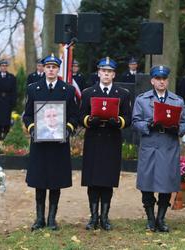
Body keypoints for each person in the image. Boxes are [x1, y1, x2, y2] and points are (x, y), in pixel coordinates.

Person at [23, 54, 79, 231]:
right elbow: (28, 115)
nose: (51, 70)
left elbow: (74, 115)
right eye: (48, 67)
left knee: (56, 180)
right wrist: (32, 129)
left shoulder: (67, 90)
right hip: (39, 143)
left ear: (58, 70)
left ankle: (52, 219)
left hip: (59, 144)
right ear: (44, 69)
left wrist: (67, 130)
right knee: (39, 181)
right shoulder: (33, 89)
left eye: (54, 67)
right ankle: (39, 218)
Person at [132, 65, 185, 232]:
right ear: (152, 81)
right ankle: (150, 218)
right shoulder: (142, 99)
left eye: (164, 79)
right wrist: (148, 125)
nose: (161, 82)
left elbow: (184, 122)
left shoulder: (177, 100)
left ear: (168, 81)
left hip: (168, 145)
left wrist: (177, 129)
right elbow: (135, 121)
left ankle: (161, 218)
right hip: (150, 144)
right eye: (158, 79)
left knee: (166, 183)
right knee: (147, 182)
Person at [80, 57, 132, 231]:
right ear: (98, 72)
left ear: (114, 74)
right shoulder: (88, 92)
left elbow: (128, 118)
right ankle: (93, 217)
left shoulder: (122, 94)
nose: (106, 74)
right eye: (103, 71)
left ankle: (105, 217)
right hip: (94, 139)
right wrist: (89, 120)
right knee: (93, 180)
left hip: (112, 140)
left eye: (109, 72)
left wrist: (119, 122)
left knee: (107, 180)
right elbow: (81, 116)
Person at [0, 59, 17, 140]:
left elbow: (14, 91)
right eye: (2, 66)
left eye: (5, 66)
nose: (4, 67)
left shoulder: (12, 77)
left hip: (8, 100)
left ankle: (5, 133)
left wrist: (13, 102)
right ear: (0, 66)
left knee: (6, 118)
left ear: (7, 67)